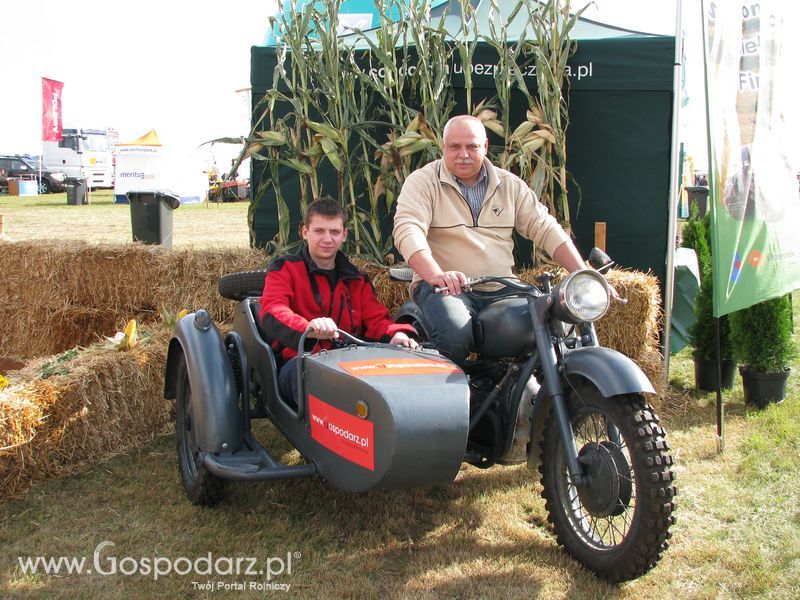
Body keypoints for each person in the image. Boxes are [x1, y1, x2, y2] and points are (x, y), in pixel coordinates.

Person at [392, 114, 586, 366]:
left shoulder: (509, 185)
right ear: (443, 147)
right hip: (446, 288)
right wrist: (436, 274)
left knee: (555, 325)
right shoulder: (423, 182)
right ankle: (450, 401)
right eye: (455, 146)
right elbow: (408, 229)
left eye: (472, 146)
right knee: (454, 334)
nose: (463, 154)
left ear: (484, 147)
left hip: (502, 288)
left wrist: (582, 274)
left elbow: (545, 227)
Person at [260, 196, 418, 401]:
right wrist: (308, 328)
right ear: (305, 232)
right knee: (325, 385)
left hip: (352, 362)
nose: (327, 239)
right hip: (301, 361)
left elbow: (376, 320)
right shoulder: (284, 269)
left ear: (344, 235)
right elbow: (273, 310)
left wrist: (397, 335)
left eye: (334, 232)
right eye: (319, 231)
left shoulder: (356, 279)